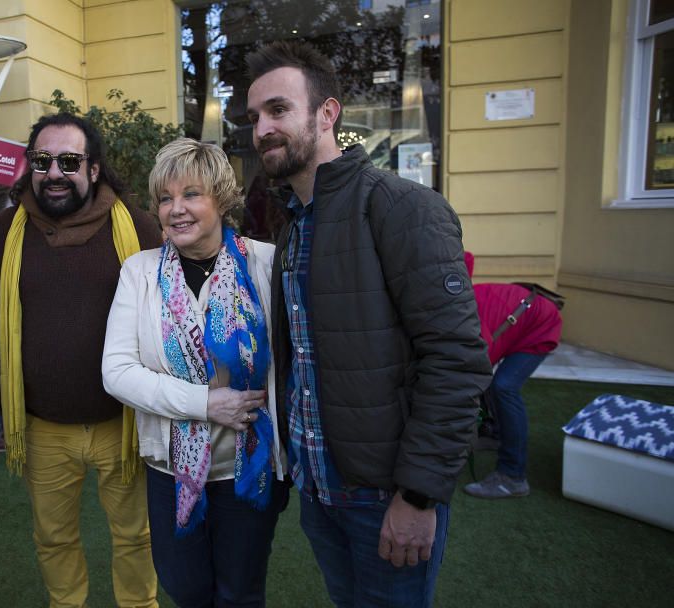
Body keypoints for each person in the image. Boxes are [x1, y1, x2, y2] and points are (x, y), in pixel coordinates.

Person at [245, 41, 491, 607]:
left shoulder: (403, 208)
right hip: (318, 491)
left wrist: (419, 495)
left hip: (385, 497)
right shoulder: (294, 226)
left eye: (278, 110)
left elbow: (456, 361)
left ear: (326, 114)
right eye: (255, 117)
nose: (262, 129)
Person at [0, 113, 161, 608]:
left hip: (122, 424)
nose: (53, 172)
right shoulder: (3, 232)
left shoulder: (138, 226)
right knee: (54, 539)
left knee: (136, 538)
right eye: (41, 160)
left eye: (68, 160)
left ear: (95, 169)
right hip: (43, 427)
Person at [102, 138, 289, 607]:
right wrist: (206, 404)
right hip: (170, 470)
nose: (175, 209)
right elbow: (117, 371)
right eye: (165, 198)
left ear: (221, 199)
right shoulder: (139, 272)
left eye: (191, 195)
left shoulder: (265, 263)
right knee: (185, 590)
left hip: (247, 468)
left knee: (240, 593)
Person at [462, 252, 563, 499]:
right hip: (523, 312)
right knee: (484, 379)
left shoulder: (463, 319)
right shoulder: (455, 298)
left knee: (504, 387)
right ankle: (495, 433)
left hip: (540, 324)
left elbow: (473, 370)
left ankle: (512, 476)